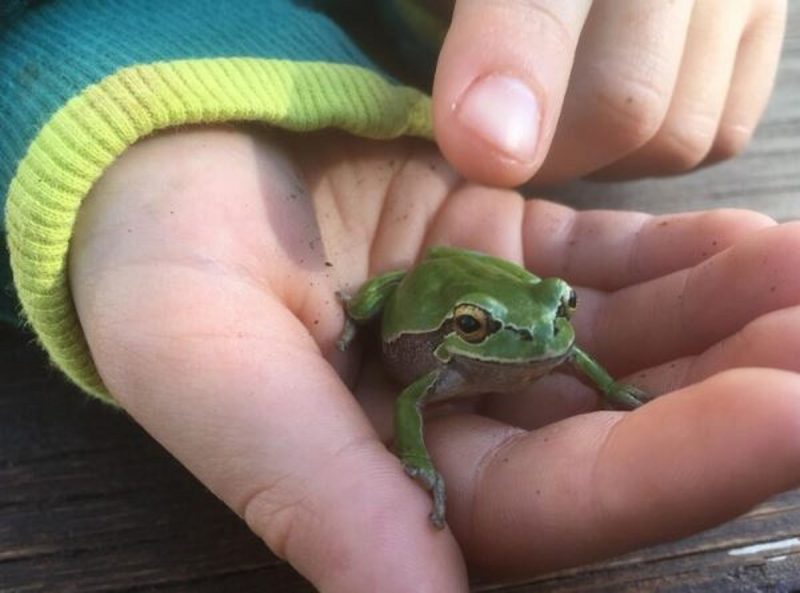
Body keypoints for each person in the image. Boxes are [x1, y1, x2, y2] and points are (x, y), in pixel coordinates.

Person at [1, 1, 794, 591]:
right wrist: (417, 457)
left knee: (546, 336)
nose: (552, 336)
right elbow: (411, 398)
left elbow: (565, 348)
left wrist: (610, 385)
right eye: (478, 326)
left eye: (564, 307)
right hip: (409, 292)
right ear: (461, 331)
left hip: (431, 136)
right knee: (364, 306)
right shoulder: (438, 366)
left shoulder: (542, 335)